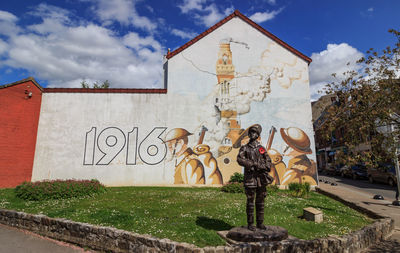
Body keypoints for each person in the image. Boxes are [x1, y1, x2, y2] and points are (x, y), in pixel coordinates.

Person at [237, 124, 272, 230]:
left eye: (255, 133)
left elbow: (268, 162)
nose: (253, 134)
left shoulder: (261, 149)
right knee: (250, 200)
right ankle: (251, 224)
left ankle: (260, 223)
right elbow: (240, 159)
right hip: (250, 178)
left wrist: (261, 166)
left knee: (261, 200)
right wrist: (251, 164)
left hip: (261, 179)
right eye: (251, 132)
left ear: (258, 135)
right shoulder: (245, 148)